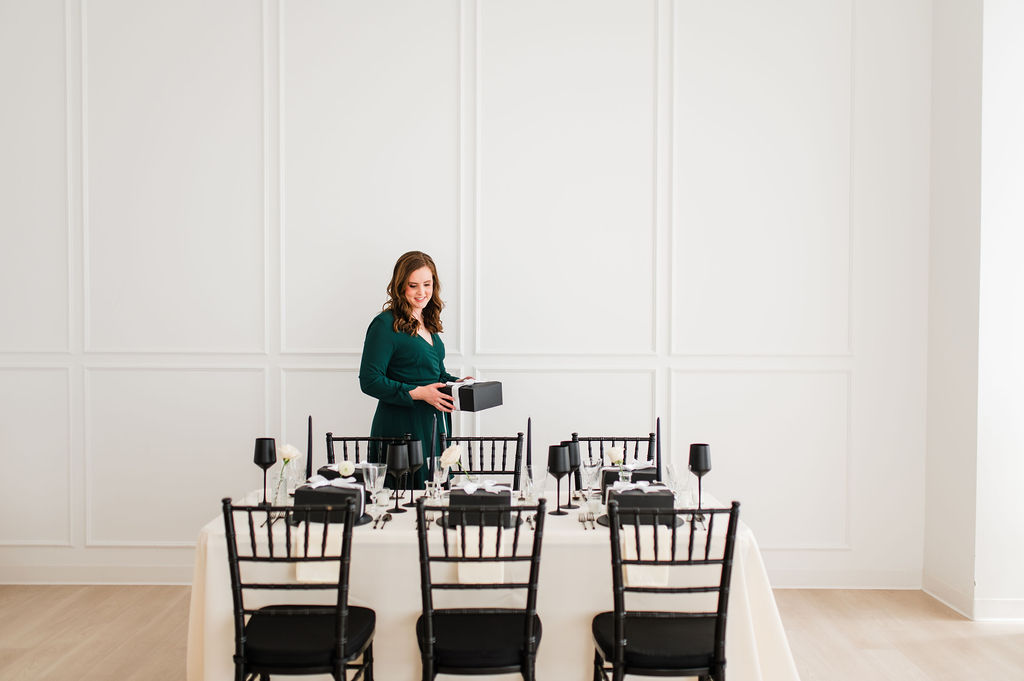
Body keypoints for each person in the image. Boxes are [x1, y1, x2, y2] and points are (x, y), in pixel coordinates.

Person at [358, 251, 466, 488]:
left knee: (433, 494)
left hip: (432, 424)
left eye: (427, 284)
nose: (421, 292)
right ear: (400, 287)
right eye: (413, 285)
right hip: (401, 425)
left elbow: (435, 374)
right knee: (401, 497)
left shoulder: (428, 322)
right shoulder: (385, 324)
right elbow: (369, 380)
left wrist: (458, 383)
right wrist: (419, 393)